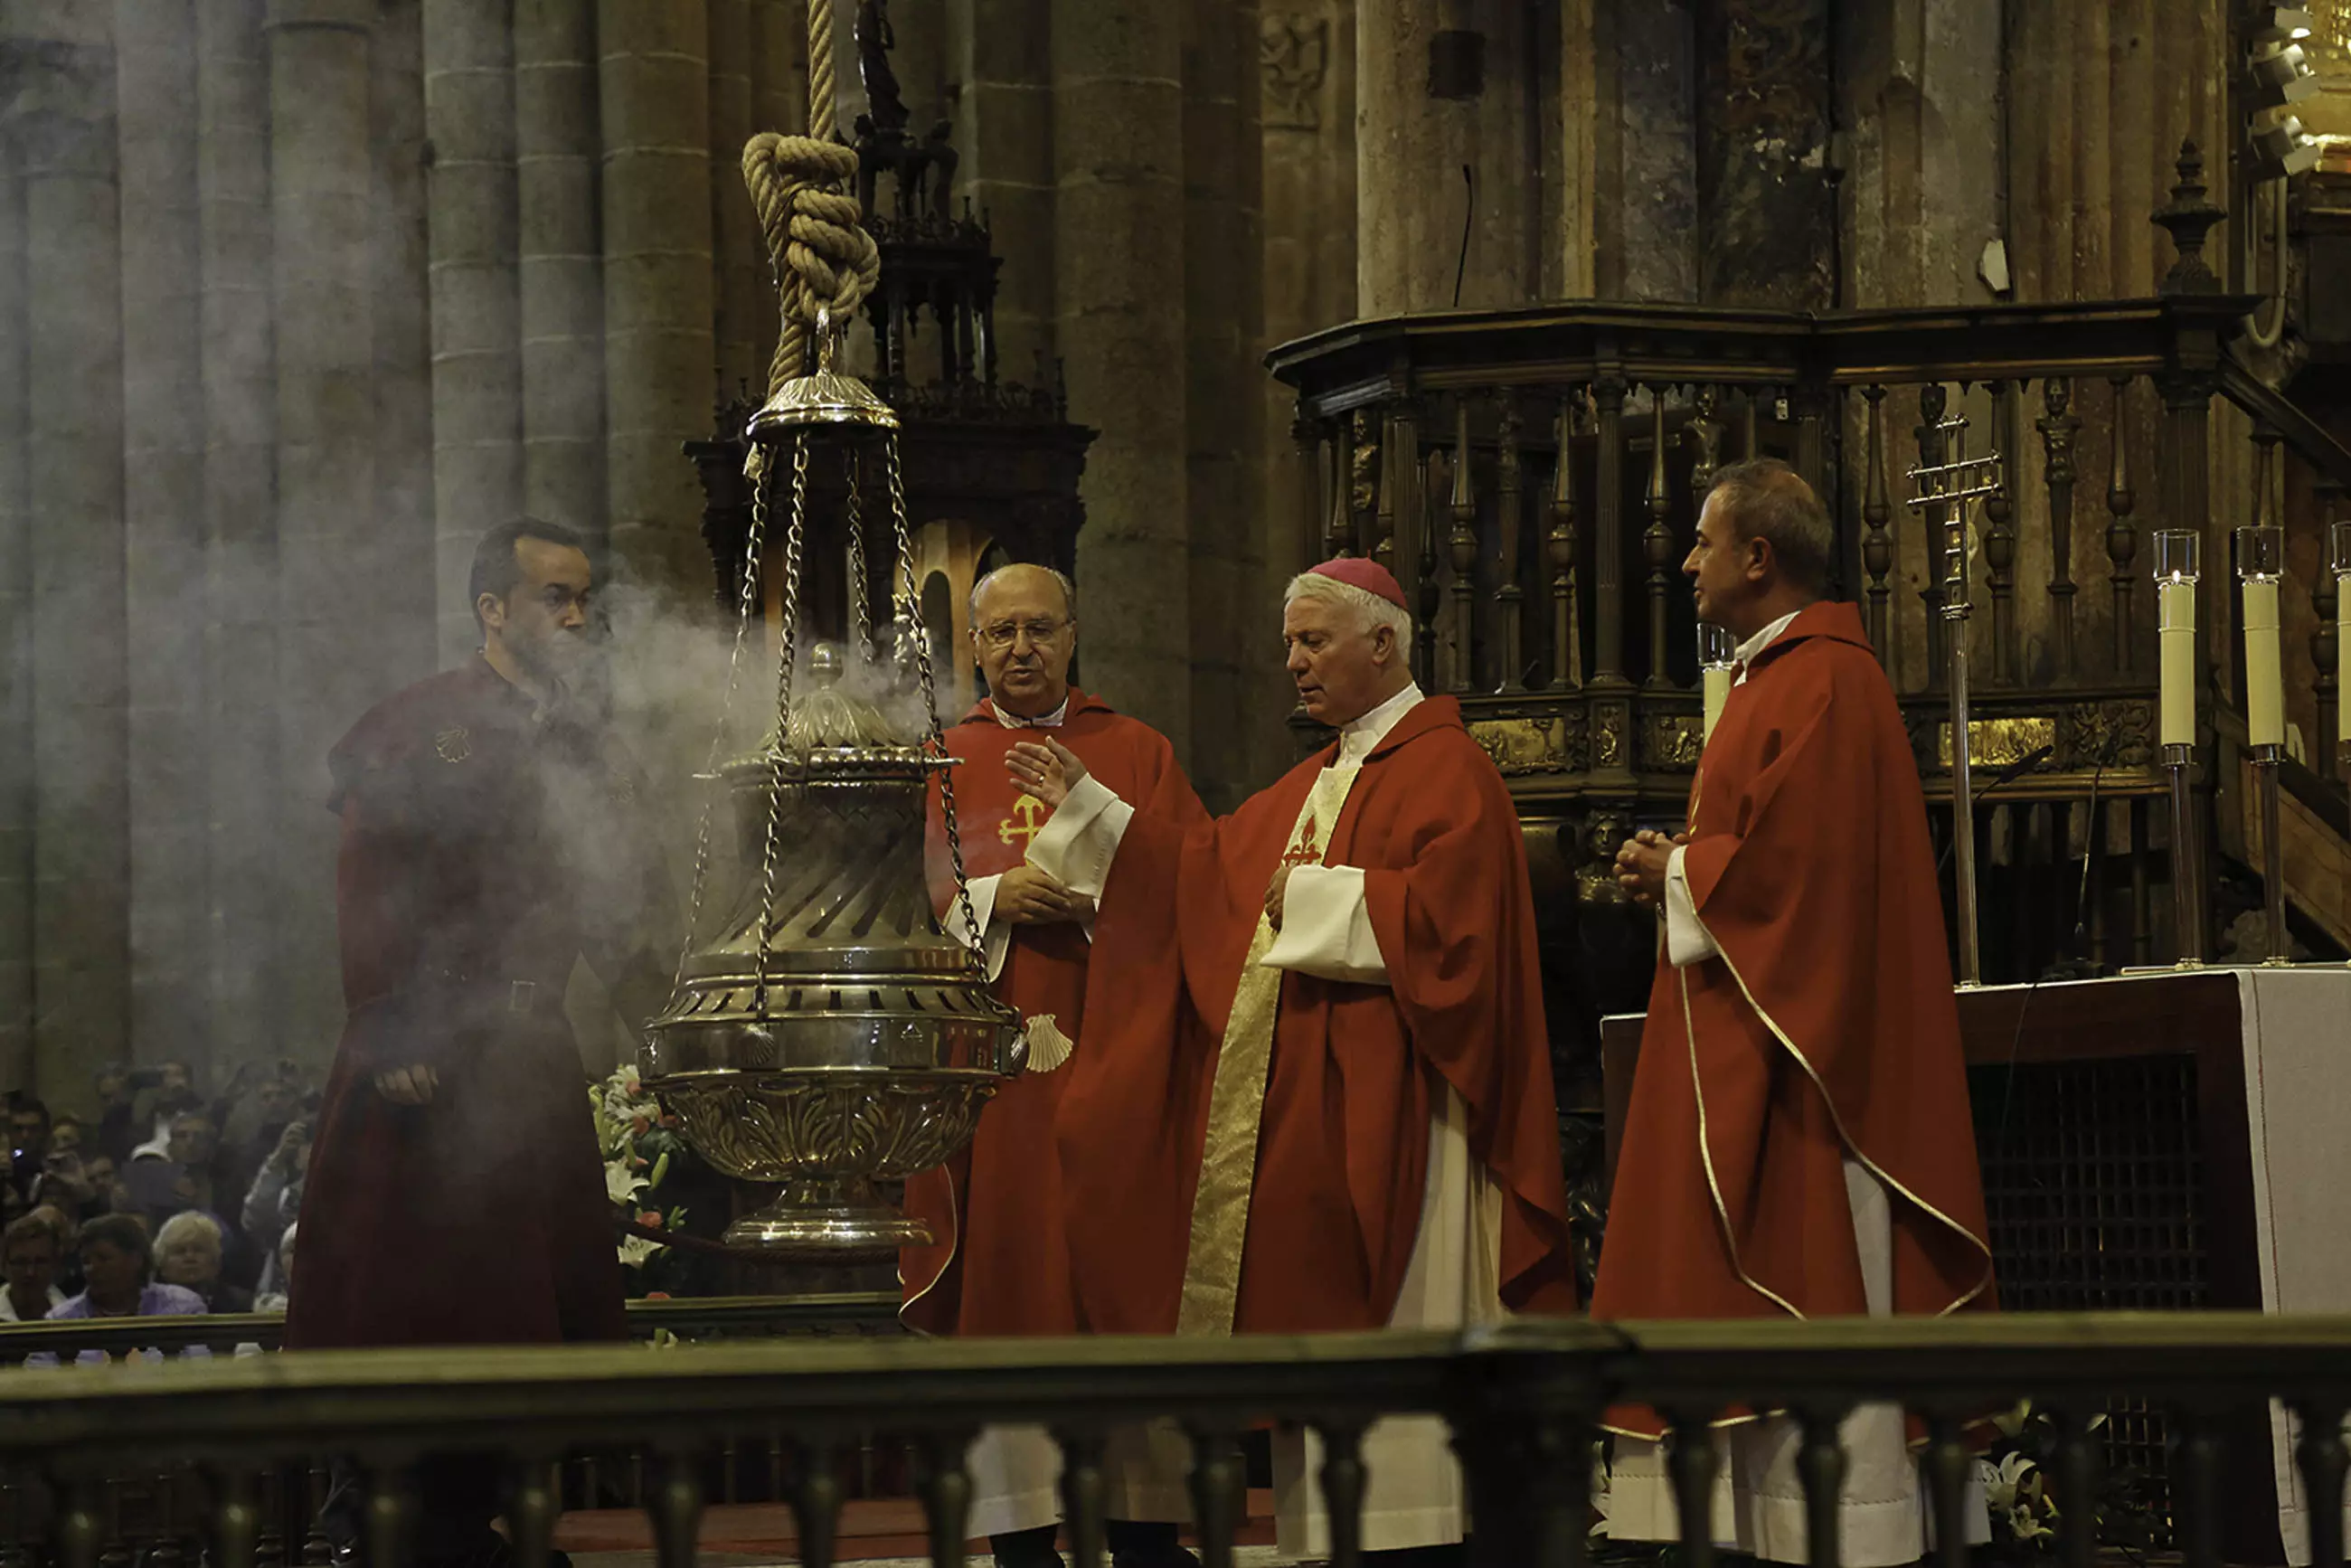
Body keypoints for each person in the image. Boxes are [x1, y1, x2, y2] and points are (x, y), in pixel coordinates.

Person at [1010, 558, 1575, 1561]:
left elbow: (1458, 935)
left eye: (1313, 642)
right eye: (1288, 644)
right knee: (1331, 1347)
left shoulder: (1450, 768)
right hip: (1328, 1129)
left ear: (1383, 644)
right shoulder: (1320, 775)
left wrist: (1306, 900)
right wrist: (1093, 812)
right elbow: (1201, 870)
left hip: (1417, 1116)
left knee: (1407, 1352)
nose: (1292, 664)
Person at [1592, 458, 1996, 1567]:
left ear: (1757, 557)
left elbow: (1801, 880)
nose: (1684, 562)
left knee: (1817, 1277)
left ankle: (1837, 1531)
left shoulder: (1820, 680)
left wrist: (1677, 870)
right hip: (1752, 1021)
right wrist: (1683, 867)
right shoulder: (1780, 677)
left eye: (1702, 542)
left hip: (1808, 1063)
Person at [289, 519, 675, 1568]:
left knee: (518, 1305)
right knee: (423, 1302)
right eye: (555, 595)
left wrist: (670, 1021)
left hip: (528, 1055)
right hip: (427, 1058)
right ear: (491, 608)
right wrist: (389, 1022)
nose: (578, 616)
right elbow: (371, 883)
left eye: (585, 596)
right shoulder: (421, 724)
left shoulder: (582, 736)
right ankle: (390, 1521)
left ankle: (487, 1517)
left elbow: (608, 902)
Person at [900, 563, 1206, 1568]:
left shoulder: (1136, 750)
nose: (1020, 649)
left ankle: (1142, 1528)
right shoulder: (941, 760)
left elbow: (1200, 884)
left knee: (1121, 1278)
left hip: (1119, 1056)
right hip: (994, 1079)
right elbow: (906, 903)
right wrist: (990, 898)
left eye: (1039, 629)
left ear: (1073, 636)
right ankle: (1023, 1534)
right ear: (974, 647)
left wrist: (1087, 892)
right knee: (1010, 1278)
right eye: (1000, 634)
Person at [156, 1211, 253, 1313]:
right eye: (180, 1251)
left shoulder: (242, 1304)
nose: (190, 1257)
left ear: (216, 1263)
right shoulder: (147, 1304)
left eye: (198, 1250)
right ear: (163, 1265)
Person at [1, 1212, 66, 1322]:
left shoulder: (72, 1316)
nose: (30, 1272)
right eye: (21, 1262)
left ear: (55, 1265)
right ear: (3, 1266)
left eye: (40, 1262)